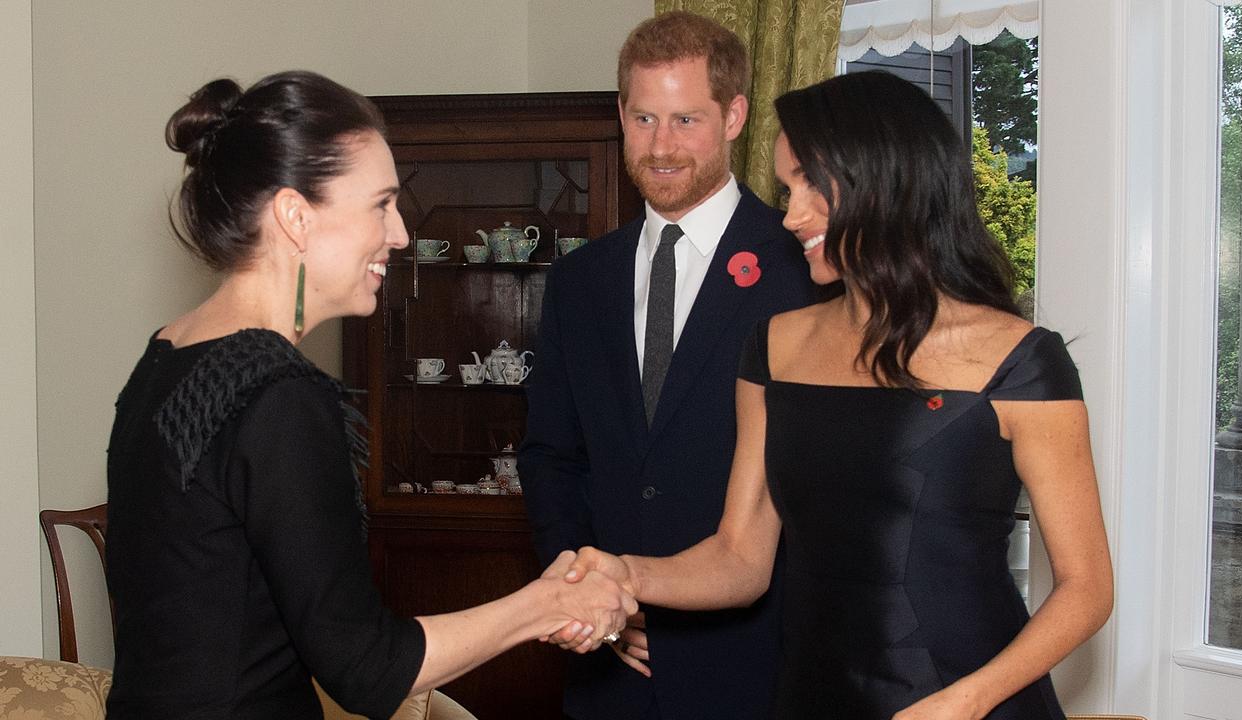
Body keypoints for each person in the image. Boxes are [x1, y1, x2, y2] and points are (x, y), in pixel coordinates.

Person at [557, 70, 1115, 720]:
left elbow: (1087, 588)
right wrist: (629, 573)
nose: (792, 215)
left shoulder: (1020, 360)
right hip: (810, 696)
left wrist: (966, 703)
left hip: (967, 701)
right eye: (787, 189)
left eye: (811, 186)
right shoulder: (776, 345)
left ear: (887, 180)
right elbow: (740, 558)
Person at [103, 70, 636, 720]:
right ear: (296, 216)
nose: (401, 234)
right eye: (381, 204)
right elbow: (368, 669)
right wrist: (547, 603)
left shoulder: (167, 352)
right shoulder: (280, 394)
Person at [518, 11, 813, 720]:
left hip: (759, 667)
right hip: (608, 667)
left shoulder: (803, 269)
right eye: (644, 119)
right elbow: (550, 457)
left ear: (735, 115)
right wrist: (588, 597)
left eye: (686, 120)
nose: (661, 147)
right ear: (621, 114)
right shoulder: (580, 281)